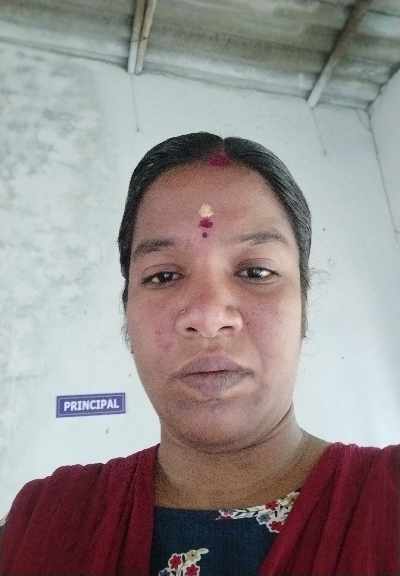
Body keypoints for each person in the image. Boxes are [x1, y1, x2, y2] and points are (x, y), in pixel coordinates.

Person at [0, 132, 398, 576]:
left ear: (304, 305)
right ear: (126, 312)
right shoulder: (43, 525)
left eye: (256, 271)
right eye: (164, 276)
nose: (208, 318)